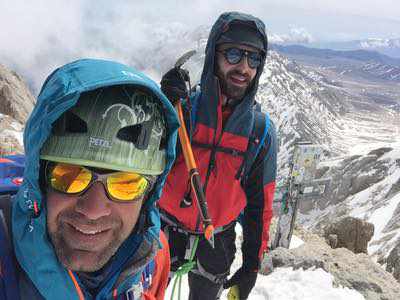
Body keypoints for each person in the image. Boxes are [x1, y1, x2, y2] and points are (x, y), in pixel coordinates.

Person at [0, 58, 180, 299]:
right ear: (38, 180)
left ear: (148, 195)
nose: (93, 210)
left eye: (126, 184)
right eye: (69, 176)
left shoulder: (152, 257)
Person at [159, 11, 277, 300]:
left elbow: (258, 208)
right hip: (163, 228)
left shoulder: (259, 132)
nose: (244, 67)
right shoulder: (183, 109)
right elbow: (144, 163)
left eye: (254, 58)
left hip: (218, 238)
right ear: (215, 55)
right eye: (234, 54)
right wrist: (160, 105)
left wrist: (251, 266)